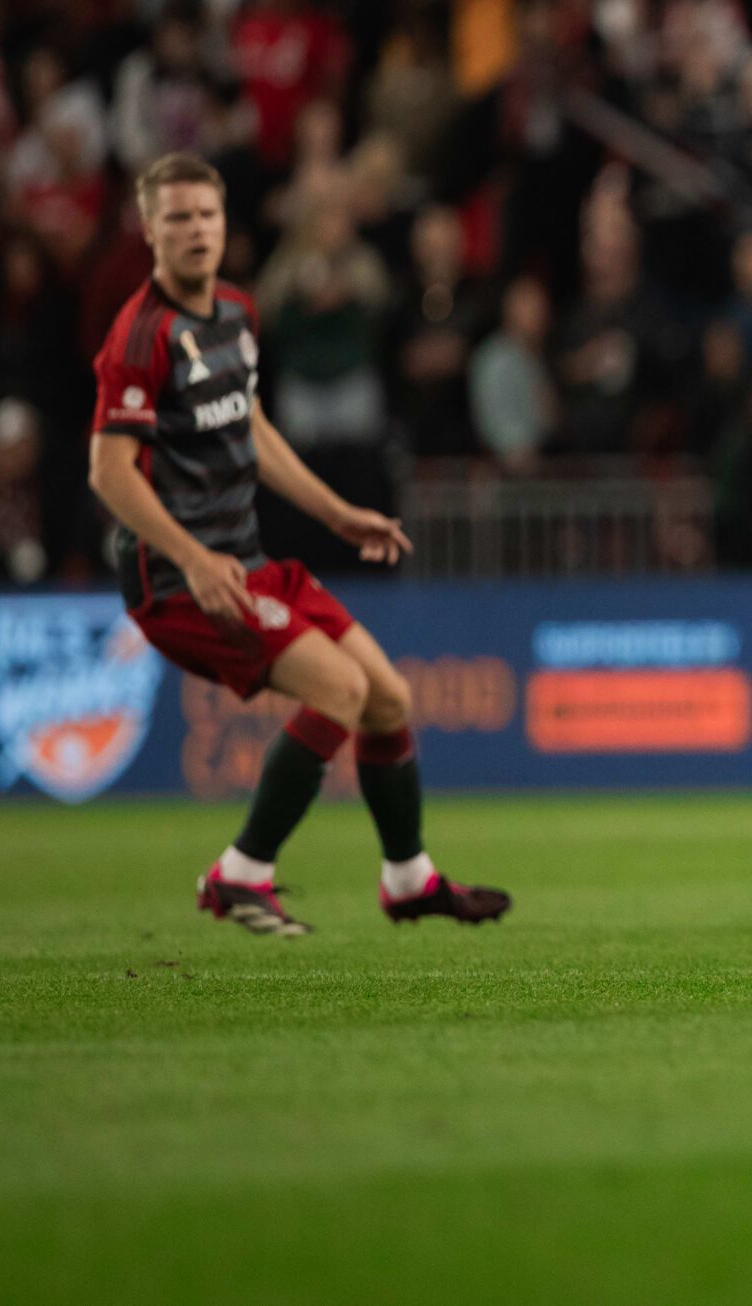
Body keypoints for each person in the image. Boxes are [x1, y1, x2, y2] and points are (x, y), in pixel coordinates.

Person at [88, 154, 509, 936]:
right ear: (151, 231)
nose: (195, 231)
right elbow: (108, 473)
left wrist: (337, 512)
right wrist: (189, 554)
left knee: (388, 698)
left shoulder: (236, 315)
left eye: (206, 215)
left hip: (246, 561)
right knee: (340, 692)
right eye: (177, 218)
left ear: (226, 225)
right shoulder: (140, 335)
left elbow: (251, 427)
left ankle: (408, 878)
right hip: (177, 579)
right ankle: (239, 874)